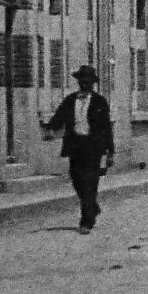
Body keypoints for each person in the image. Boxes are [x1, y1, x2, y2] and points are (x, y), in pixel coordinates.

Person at [43, 65, 115, 232]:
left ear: (92, 84)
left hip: (93, 147)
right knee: (76, 179)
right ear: (78, 82)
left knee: (90, 182)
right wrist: (51, 128)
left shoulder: (100, 102)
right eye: (82, 81)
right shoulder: (70, 100)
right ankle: (93, 207)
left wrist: (110, 152)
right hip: (75, 146)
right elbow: (59, 116)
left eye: (88, 82)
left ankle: (86, 221)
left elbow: (106, 128)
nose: (84, 84)